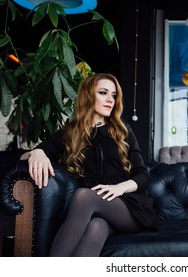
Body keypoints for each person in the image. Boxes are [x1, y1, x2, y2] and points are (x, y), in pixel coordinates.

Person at [22, 73, 156, 256]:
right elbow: (25, 157)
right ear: (88, 95)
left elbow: (142, 175)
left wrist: (119, 188)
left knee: (84, 196)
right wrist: (37, 152)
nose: (110, 99)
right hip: (94, 213)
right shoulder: (71, 132)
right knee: (96, 228)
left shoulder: (122, 130)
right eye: (103, 93)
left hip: (128, 207)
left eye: (114, 95)